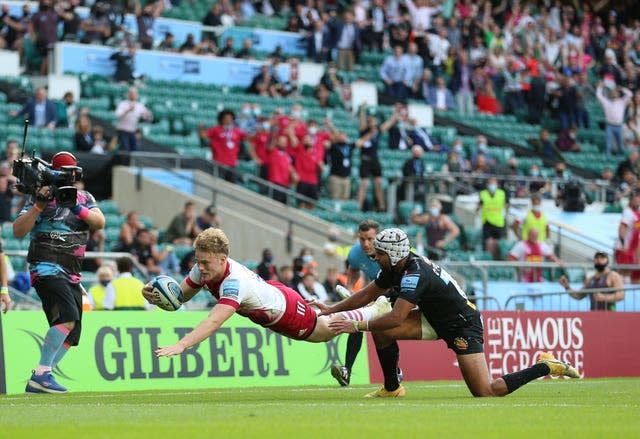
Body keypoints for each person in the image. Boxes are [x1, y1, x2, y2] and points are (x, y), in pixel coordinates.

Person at [321, 228, 579, 398]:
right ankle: (392, 388)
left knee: (486, 392)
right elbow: (367, 294)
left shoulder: (414, 274)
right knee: (382, 332)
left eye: (379, 253)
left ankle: (546, 365)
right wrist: (330, 308)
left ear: (393, 254)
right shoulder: (396, 264)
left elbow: (397, 317)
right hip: (434, 317)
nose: (374, 257)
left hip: (462, 325)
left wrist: (355, 326)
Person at [144, 228, 393, 356]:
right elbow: (179, 298)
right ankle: (365, 309)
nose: (199, 267)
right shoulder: (204, 269)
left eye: (205, 262)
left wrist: (182, 344)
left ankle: (371, 310)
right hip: (271, 292)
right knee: (325, 325)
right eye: (198, 261)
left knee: (325, 332)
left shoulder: (234, 283)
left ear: (222, 259)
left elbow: (214, 320)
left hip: (284, 310)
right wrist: (156, 295)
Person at [13, 152, 105, 393]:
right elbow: (18, 231)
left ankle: (41, 376)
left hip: (72, 273)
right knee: (66, 318)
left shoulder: (84, 197)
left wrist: (76, 207)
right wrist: (38, 206)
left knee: (72, 332)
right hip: (46, 267)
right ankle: (42, 374)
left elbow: (99, 222)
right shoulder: (38, 197)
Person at [330, 220, 404, 387]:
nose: (365, 244)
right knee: (357, 322)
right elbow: (353, 269)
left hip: (400, 293)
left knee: (385, 331)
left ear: (378, 237)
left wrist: (369, 300)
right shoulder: (356, 252)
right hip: (378, 293)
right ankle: (346, 371)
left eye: (370, 239)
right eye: (362, 239)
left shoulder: (390, 252)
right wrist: (349, 289)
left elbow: (391, 284)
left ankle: (395, 372)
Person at [560, 251, 625, 311]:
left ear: (607, 260)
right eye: (596, 258)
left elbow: (621, 295)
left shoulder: (613, 276)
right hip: (593, 316)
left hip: (610, 315)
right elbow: (578, 295)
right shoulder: (591, 279)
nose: (599, 260)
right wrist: (567, 287)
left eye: (602, 257)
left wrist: (604, 297)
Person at [477, 176, 509, 260]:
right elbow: (479, 205)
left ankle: (497, 261)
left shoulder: (501, 193)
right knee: (489, 244)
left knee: (497, 245)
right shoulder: (483, 194)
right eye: (490, 183)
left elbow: (506, 205)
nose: (492, 185)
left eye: (493, 183)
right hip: (487, 221)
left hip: (498, 222)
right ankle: (489, 262)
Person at [114, 87, 152, 152]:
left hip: (132, 131)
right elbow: (117, 115)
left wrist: (148, 114)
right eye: (131, 93)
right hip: (122, 131)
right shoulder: (123, 104)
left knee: (135, 149)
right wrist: (128, 110)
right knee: (125, 149)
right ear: (128, 94)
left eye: (134, 94)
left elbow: (148, 118)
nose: (133, 95)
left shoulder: (140, 105)